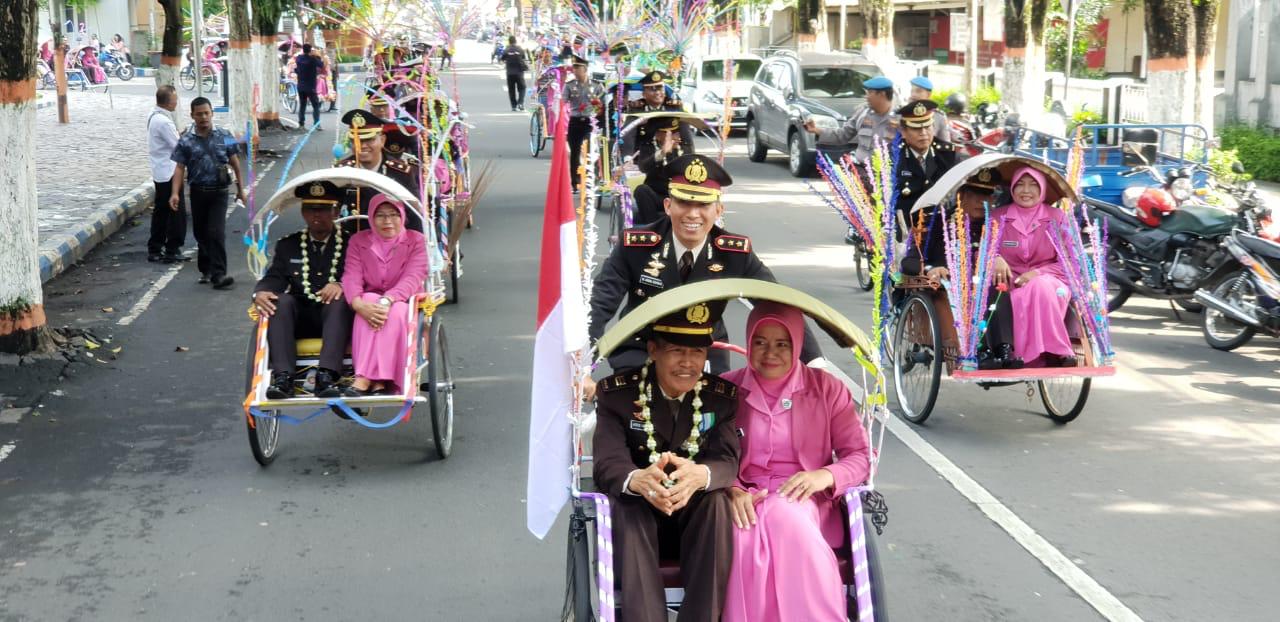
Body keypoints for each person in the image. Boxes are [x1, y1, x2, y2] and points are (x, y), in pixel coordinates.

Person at [590, 154, 822, 374]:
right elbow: (600, 304)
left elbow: (777, 303)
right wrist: (582, 363)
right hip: (643, 350)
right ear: (668, 205)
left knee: (722, 410)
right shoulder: (635, 246)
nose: (693, 214)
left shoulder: (733, 252)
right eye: (684, 203)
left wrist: (815, 362)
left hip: (707, 352)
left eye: (703, 205)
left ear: (718, 210)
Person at [720, 302, 871, 622]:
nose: (770, 352)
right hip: (742, 497)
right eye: (760, 342)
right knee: (740, 533)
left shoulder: (827, 389)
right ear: (747, 343)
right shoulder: (726, 388)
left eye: (782, 344)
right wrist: (733, 488)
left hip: (806, 499)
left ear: (798, 343)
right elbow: (707, 451)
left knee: (783, 513)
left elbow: (859, 456)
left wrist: (824, 476)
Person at [592, 302, 741, 622]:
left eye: (697, 353)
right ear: (653, 350)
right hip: (640, 516)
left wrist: (699, 475)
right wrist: (638, 480)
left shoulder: (720, 397)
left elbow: (727, 458)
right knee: (627, 505)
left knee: (717, 502)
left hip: (694, 515)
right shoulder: (617, 395)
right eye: (676, 351)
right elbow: (608, 460)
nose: (688, 363)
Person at [901, 167, 1019, 369]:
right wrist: (930, 268)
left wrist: (996, 258)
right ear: (961, 195)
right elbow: (910, 261)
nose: (983, 203)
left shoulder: (992, 226)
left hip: (980, 285)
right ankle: (978, 351)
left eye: (989, 197)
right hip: (945, 289)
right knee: (965, 292)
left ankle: (1003, 349)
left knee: (997, 288)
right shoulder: (935, 221)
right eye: (975, 196)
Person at [252, 181, 355, 399]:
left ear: (335, 212)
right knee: (279, 302)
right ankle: (283, 377)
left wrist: (340, 284)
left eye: (324, 209)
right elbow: (275, 276)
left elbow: (361, 277)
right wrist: (261, 292)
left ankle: (327, 375)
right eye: (310, 209)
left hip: (338, 319)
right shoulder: (288, 245)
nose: (316, 215)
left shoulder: (351, 243)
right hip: (301, 318)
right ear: (303, 212)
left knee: (338, 300)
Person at [340, 193, 429, 395]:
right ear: (371, 217)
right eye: (380, 215)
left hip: (404, 299)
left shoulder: (416, 241)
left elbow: (413, 277)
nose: (387, 221)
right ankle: (375, 381)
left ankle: (367, 379)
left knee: (396, 311)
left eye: (393, 215)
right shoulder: (358, 241)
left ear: (402, 216)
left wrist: (388, 298)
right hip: (370, 299)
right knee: (367, 301)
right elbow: (351, 275)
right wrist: (357, 303)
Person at [991, 167, 1078, 367]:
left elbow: (1072, 262)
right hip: (1010, 283)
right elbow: (983, 253)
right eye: (1020, 184)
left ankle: (1055, 350)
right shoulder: (998, 217)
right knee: (1015, 293)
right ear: (1012, 189)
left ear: (1043, 189)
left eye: (1033, 185)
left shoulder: (1057, 218)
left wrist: (1037, 273)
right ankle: (1028, 353)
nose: (1026, 190)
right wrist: (994, 258)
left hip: (1052, 281)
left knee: (1040, 287)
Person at [803, 75, 897, 244]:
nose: (866, 96)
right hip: (861, 167)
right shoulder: (862, 113)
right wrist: (816, 130)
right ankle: (856, 226)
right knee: (856, 187)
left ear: (882, 95)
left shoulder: (900, 118)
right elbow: (842, 135)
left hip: (887, 171)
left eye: (869, 93)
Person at [169, 97, 246, 289]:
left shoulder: (225, 135)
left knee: (216, 232)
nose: (203, 117)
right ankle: (206, 269)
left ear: (212, 113)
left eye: (206, 113)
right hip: (198, 192)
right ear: (192, 115)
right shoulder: (185, 140)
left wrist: (240, 190)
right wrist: (175, 193)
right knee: (201, 233)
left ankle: (219, 274)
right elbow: (179, 168)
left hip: (219, 192)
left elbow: (235, 163)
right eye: (199, 114)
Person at [335, 109, 423, 231]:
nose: (363, 146)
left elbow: (415, 215)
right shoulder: (342, 171)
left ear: (382, 140)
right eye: (357, 141)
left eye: (369, 139)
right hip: (351, 241)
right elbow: (332, 213)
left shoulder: (401, 172)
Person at [895, 100, 957, 219]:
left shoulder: (946, 154)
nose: (923, 133)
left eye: (927, 127)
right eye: (916, 129)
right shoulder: (893, 157)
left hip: (939, 223)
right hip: (905, 225)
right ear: (903, 132)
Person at [147, 86, 187, 264]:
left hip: (160, 170)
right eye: (175, 100)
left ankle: (156, 247)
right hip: (169, 172)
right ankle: (172, 248)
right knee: (175, 212)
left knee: (162, 211)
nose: (176, 102)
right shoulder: (163, 121)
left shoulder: (154, 116)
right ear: (168, 101)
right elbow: (178, 146)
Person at [565, 54, 605, 189]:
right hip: (575, 121)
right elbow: (563, 101)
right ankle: (575, 182)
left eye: (578, 68)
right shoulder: (569, 86)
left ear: (585, 69)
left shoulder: (596, 85)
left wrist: (599, 105)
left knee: (590, 151)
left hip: (590, 122)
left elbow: (603, 104)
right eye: (574, 68)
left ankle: (590, 178)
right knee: (574, 152)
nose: (575, 71)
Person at [907, 76, 950, 142]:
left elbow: (945, 143)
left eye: (918, 91)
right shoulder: (903, 114)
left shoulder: (939, 117)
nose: (913, 94)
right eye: (912, 91)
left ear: (928, 95)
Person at [293, 43, 324, 129]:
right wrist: (316, 56)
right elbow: (321, 65)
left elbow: (296, 69)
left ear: (303, 49)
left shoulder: (299, 58)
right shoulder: (313, 59)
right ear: (310, 50)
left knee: (302, 105)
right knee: (316, 105)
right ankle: (317, 124)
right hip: (310, 86)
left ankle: (301, 124)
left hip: (301, 86)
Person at [501, 36, 529, 111]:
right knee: (522, 88)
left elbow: (502, 58)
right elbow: (523, 58)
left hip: (510, 73)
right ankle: (520, 103)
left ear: (509, 42)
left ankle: (514, 106)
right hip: (519, 72)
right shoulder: (520, 49)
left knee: (511, 89)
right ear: (515, 41)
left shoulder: (506, 49)